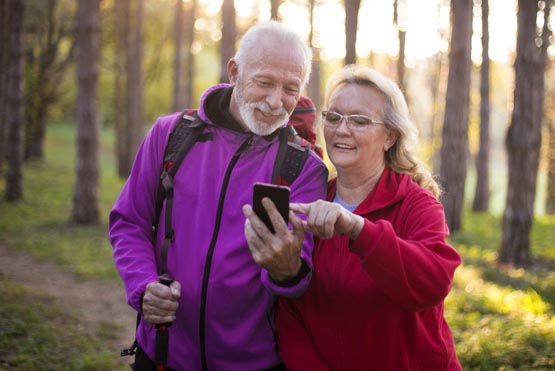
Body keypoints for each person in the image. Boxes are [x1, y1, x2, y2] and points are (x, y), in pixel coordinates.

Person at [109, 21, 328, 371]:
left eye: (291, 88)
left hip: (254, 364)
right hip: (163, 353)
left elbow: (297, 276)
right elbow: (130, 221)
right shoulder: (171, 134)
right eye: (265, 82)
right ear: (234, 72)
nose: (276, 101)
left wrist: (288, 270)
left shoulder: (305, 167)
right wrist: (143, 286)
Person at [275, 65, 462, 371]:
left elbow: (433, 282)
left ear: (390, 136)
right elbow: (290, 314)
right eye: (333, 117)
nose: (341, 130)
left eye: (359, 121)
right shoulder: (311, 201)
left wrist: (358, 229)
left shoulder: (416, 204)